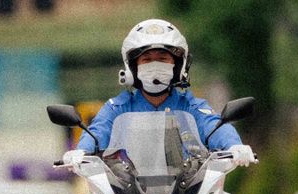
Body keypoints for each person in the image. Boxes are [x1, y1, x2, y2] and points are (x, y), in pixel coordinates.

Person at [59, 20, 256, 172]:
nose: (155, 65)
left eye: (162, 59)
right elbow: (98, 131)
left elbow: (214, 125)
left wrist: (235, 146)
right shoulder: (117, 107)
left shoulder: (191, 106)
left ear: (178, 66)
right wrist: (81, 152)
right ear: (133, 68)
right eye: (146, 59)